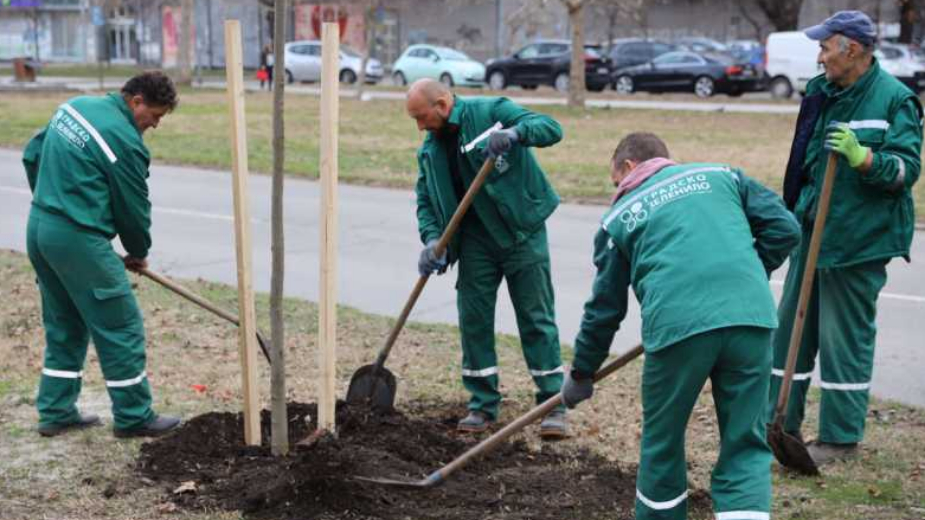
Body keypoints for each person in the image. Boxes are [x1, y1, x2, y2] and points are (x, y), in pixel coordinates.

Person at [562, 133, 800, 520]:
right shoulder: (723, 175)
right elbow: (786, 229)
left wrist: (581, 371)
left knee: (663, 442)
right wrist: (748, 275)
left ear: (627, 167)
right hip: (751, 316)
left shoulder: (618, 218)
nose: (616, 192)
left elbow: (605, 310)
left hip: (678, 329)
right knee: (745, 442)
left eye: (614, 182)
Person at [771, 10, 922, 466]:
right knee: (787, 337)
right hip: (811, 231)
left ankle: (839, 437)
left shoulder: (895, 100)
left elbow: (905, 171)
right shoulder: (822, 93)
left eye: (825, 47)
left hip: (857, 241)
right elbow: (804, 159)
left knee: (843, 341)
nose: (819, 57)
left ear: (850, 49)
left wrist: (863, 159)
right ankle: (777, 422)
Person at [23, 71, 182, 438]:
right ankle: (133, 416)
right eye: (155, 115)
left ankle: (55, 410)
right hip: (79, 240)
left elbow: (33, 155)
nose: (155, 125)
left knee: (65, 322)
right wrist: (137, 252)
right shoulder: (124, 141)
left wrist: (53, 203)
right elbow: (133, 208)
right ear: (136, 101)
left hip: (40, 228)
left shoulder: (75, 107)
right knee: (120, 325)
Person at [407, 78, 568, 438]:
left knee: (535, 317)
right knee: (474, 317)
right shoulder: (430, 151)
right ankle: (482, 403)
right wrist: (432, 240)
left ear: (443, 104)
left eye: (422, 117)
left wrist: (515, 134)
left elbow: (551, 128)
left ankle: (553, 403)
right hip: (476, 241)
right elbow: (425, 201)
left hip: (520, 233)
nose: (419, 127)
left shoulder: (492, 112)